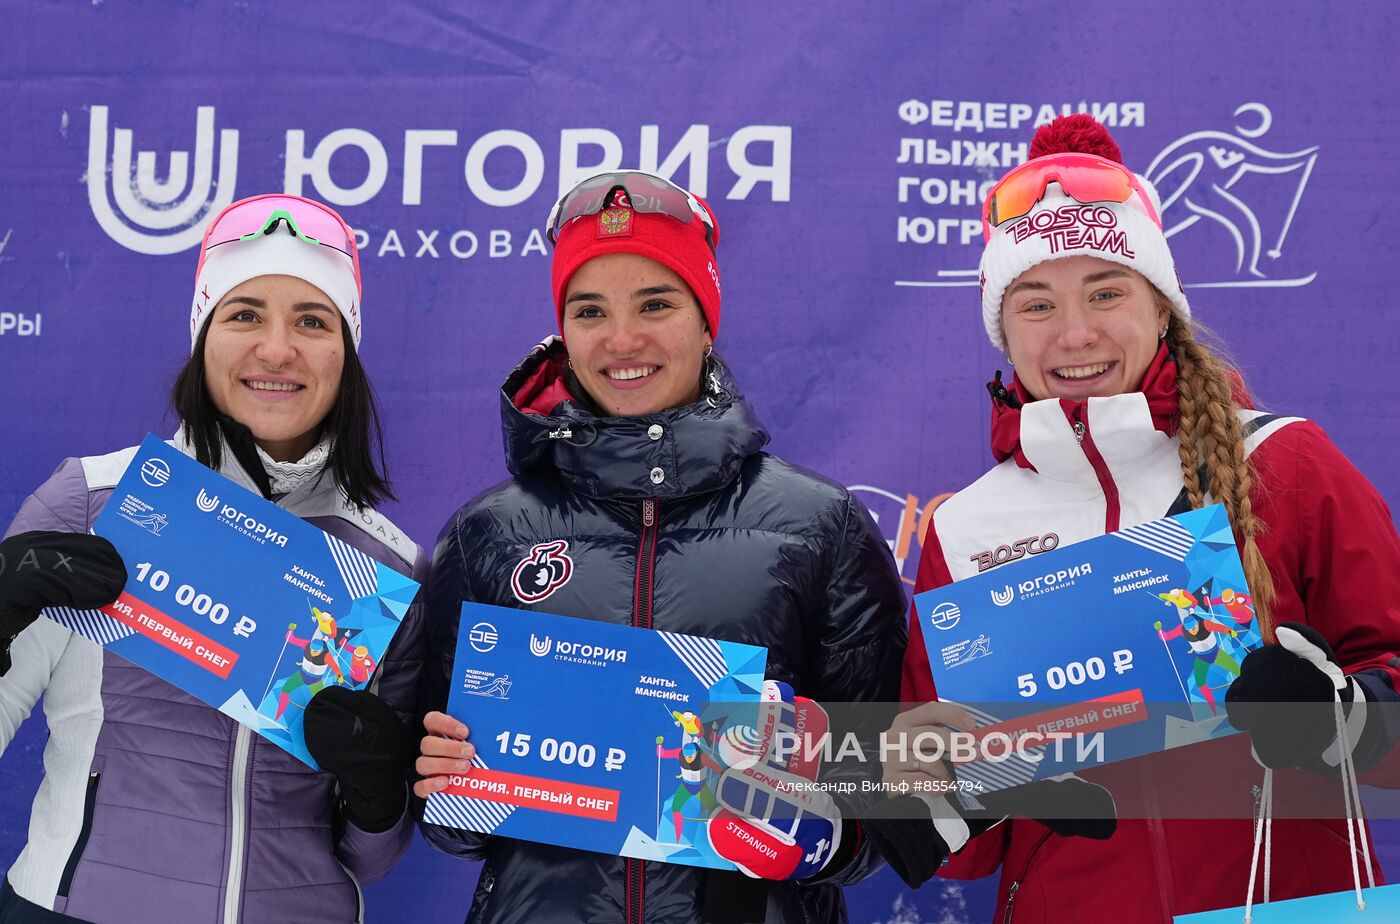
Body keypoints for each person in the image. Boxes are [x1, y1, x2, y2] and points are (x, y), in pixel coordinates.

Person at [894, 114, 1400, 922]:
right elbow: (971, 841)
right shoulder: (965, 531)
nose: (1075, 333)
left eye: (1106, 292)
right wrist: (942, 789)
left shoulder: (1284, 465)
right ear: (1001, 329)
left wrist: (1346, 718)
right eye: (1036, 304)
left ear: (1161, 307)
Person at [413, 171, 907, 923]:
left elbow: (887, 809)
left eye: (656, 303)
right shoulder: (489, 534)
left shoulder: (821, 528)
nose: (622, 340)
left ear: (707, 321)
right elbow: (454, 823)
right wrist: (450, 788)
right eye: (590, 311)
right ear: (563, 332)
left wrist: (824, 834)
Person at [0, 194, 425, 923]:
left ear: (344, 354)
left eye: (313, 321)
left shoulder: (386, 572)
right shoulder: (95, 501)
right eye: (245, 314)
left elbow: (370, 861)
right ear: (203, 337)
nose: (277, 349)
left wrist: (381, 793)